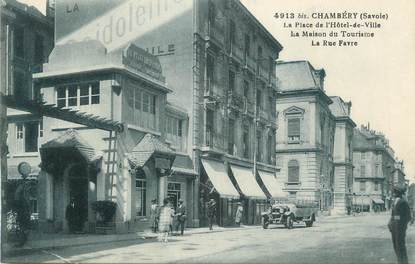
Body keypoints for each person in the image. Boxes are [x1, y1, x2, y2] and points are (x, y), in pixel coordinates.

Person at [388, 186, 413, 264]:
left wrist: (402, 224)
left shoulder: (403, 202)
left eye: (395, 192)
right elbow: (392, 215)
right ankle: (400, 261)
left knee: (401, 247)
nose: (394, 193)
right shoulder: (394, 202)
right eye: (394, 192)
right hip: (394, 228)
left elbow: (408, 216)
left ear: (399, 193)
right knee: (395, 246)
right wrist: (390, 223)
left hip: (400, 229)